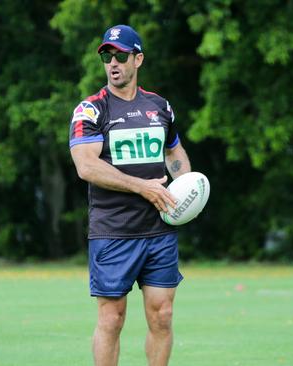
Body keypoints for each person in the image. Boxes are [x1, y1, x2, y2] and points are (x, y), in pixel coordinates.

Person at [69, 25, 192, 366]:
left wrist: (187, 192)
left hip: (159, 229)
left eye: (120, 56)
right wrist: (143, 187)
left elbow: (174, 155)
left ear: (138, 59)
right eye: (108, 57)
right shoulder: (91, 110)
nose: (113, 63)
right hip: (113, 230)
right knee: (112, 319)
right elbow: (87, 167)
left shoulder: (160, 107)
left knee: (162, 315)